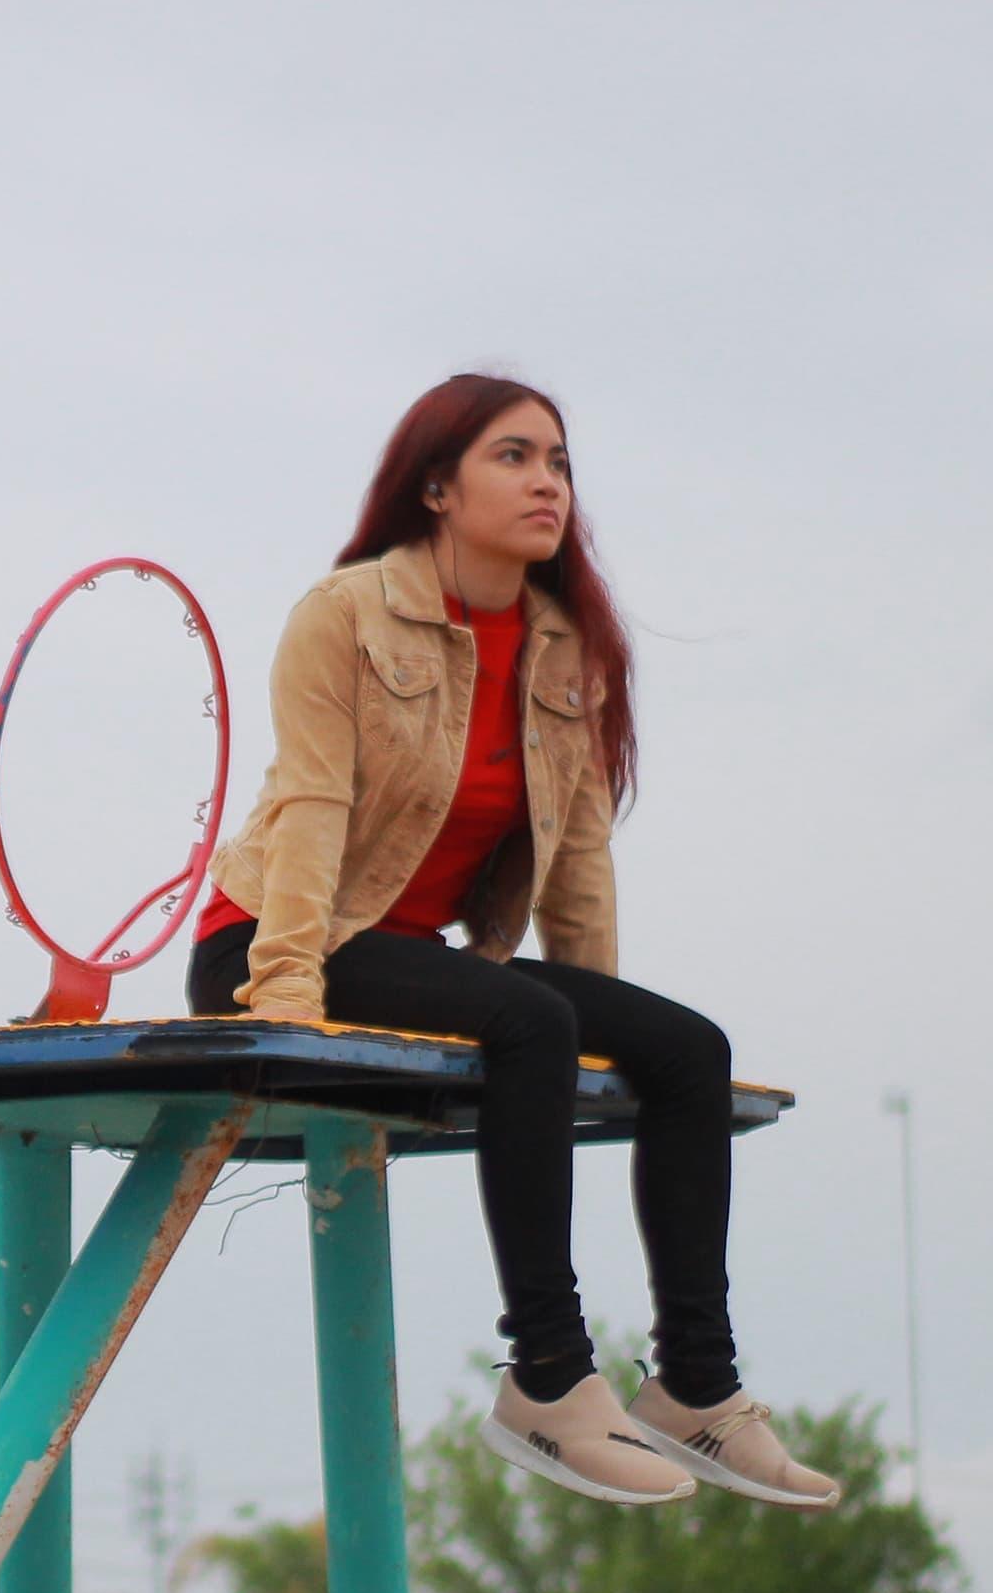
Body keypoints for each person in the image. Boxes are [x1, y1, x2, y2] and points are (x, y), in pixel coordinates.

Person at [189, 372, 839, 1513]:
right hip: (273, 940)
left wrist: (603, 1036)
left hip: (419, 957)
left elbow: (578, 860)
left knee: (689, 1049)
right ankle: (546, 1375)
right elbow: (310, 809)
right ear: (436, 486)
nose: (548, 482)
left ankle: (695, 1383)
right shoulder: (342, 614)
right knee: (525, 1019)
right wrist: (281, 994)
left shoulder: (563, 648)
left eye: (560, 462)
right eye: (514, 457)